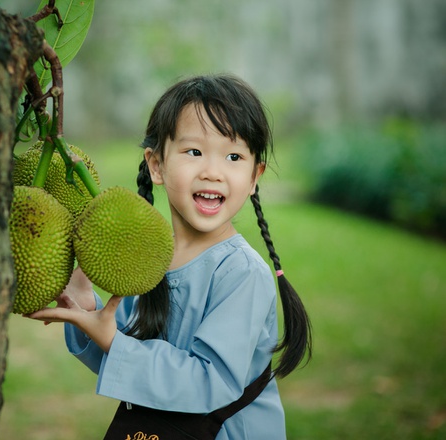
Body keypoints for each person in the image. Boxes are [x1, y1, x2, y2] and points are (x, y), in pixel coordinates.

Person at [25, 74, 312, 439]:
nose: (212, 171)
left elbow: (211, 382)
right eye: (194, 152)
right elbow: (130, 359)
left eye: (234, 156)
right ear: (157, 165)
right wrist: (86, 308)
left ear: (254, 176)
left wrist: (113, 341)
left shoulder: (242, 273)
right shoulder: (149, 256)